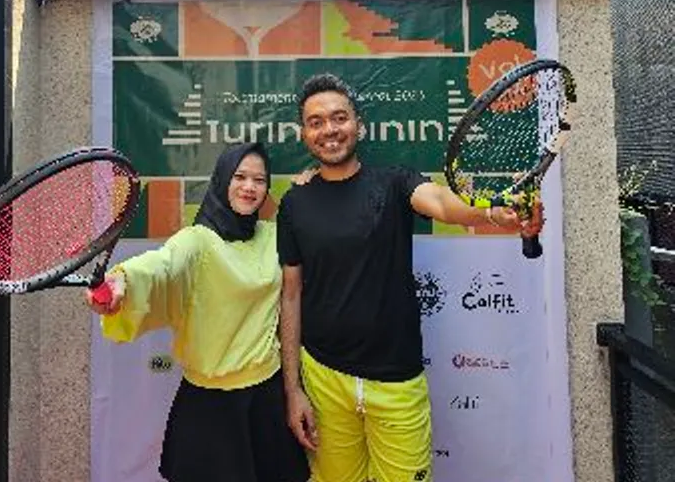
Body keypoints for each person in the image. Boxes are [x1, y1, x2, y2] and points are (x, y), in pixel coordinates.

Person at [277, 73, 544, 482]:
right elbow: (291, 295)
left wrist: (492, 213)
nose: (329, 129)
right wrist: (293, 389)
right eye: (316, 122)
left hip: (396, 381)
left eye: (339, 118)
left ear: (358, 124)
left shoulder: (395, 182)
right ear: (304, 134)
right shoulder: (295, 203)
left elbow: (442, 203)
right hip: (323, 378)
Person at [86, 142, 310, 482]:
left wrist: (311, 192)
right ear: (222, 179)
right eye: (240, 177)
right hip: (210, 405)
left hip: (268, 395)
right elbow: (162, 264)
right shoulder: (197, 241)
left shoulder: (272, 235)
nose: (249, 187)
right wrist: (122, 282)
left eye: (259, 180)